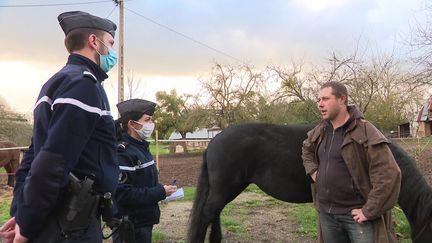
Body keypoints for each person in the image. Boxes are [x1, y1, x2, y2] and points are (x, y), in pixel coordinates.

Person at [0, 11, 119, 243]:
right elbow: (52, 162)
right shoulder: (84, 85)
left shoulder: (55, 83)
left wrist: (21, 215)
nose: (113, 52)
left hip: (54, 219)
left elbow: (33, 158)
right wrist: (26, 225)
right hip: (70, 224)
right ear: (94, 41)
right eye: (111, 43)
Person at [302, 81, 401, 243]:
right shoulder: (321, 130)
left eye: (325, 99)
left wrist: (369, 211)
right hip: (327, 214)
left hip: (356, 217)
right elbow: (306, 149)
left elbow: (389, 174)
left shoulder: (365, 131)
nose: (320, 104)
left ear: (342, 99)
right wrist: (313, 171)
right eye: (318, 100)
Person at [113, 98, 177, 243]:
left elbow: (142, 184)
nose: (151, 124)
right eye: (147, 120)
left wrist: (162, 191)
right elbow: (123, 194)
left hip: (143, 222)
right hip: (130, 226)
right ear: (132, 124)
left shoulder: (141, 147)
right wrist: (160, 192)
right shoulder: (123, 153)